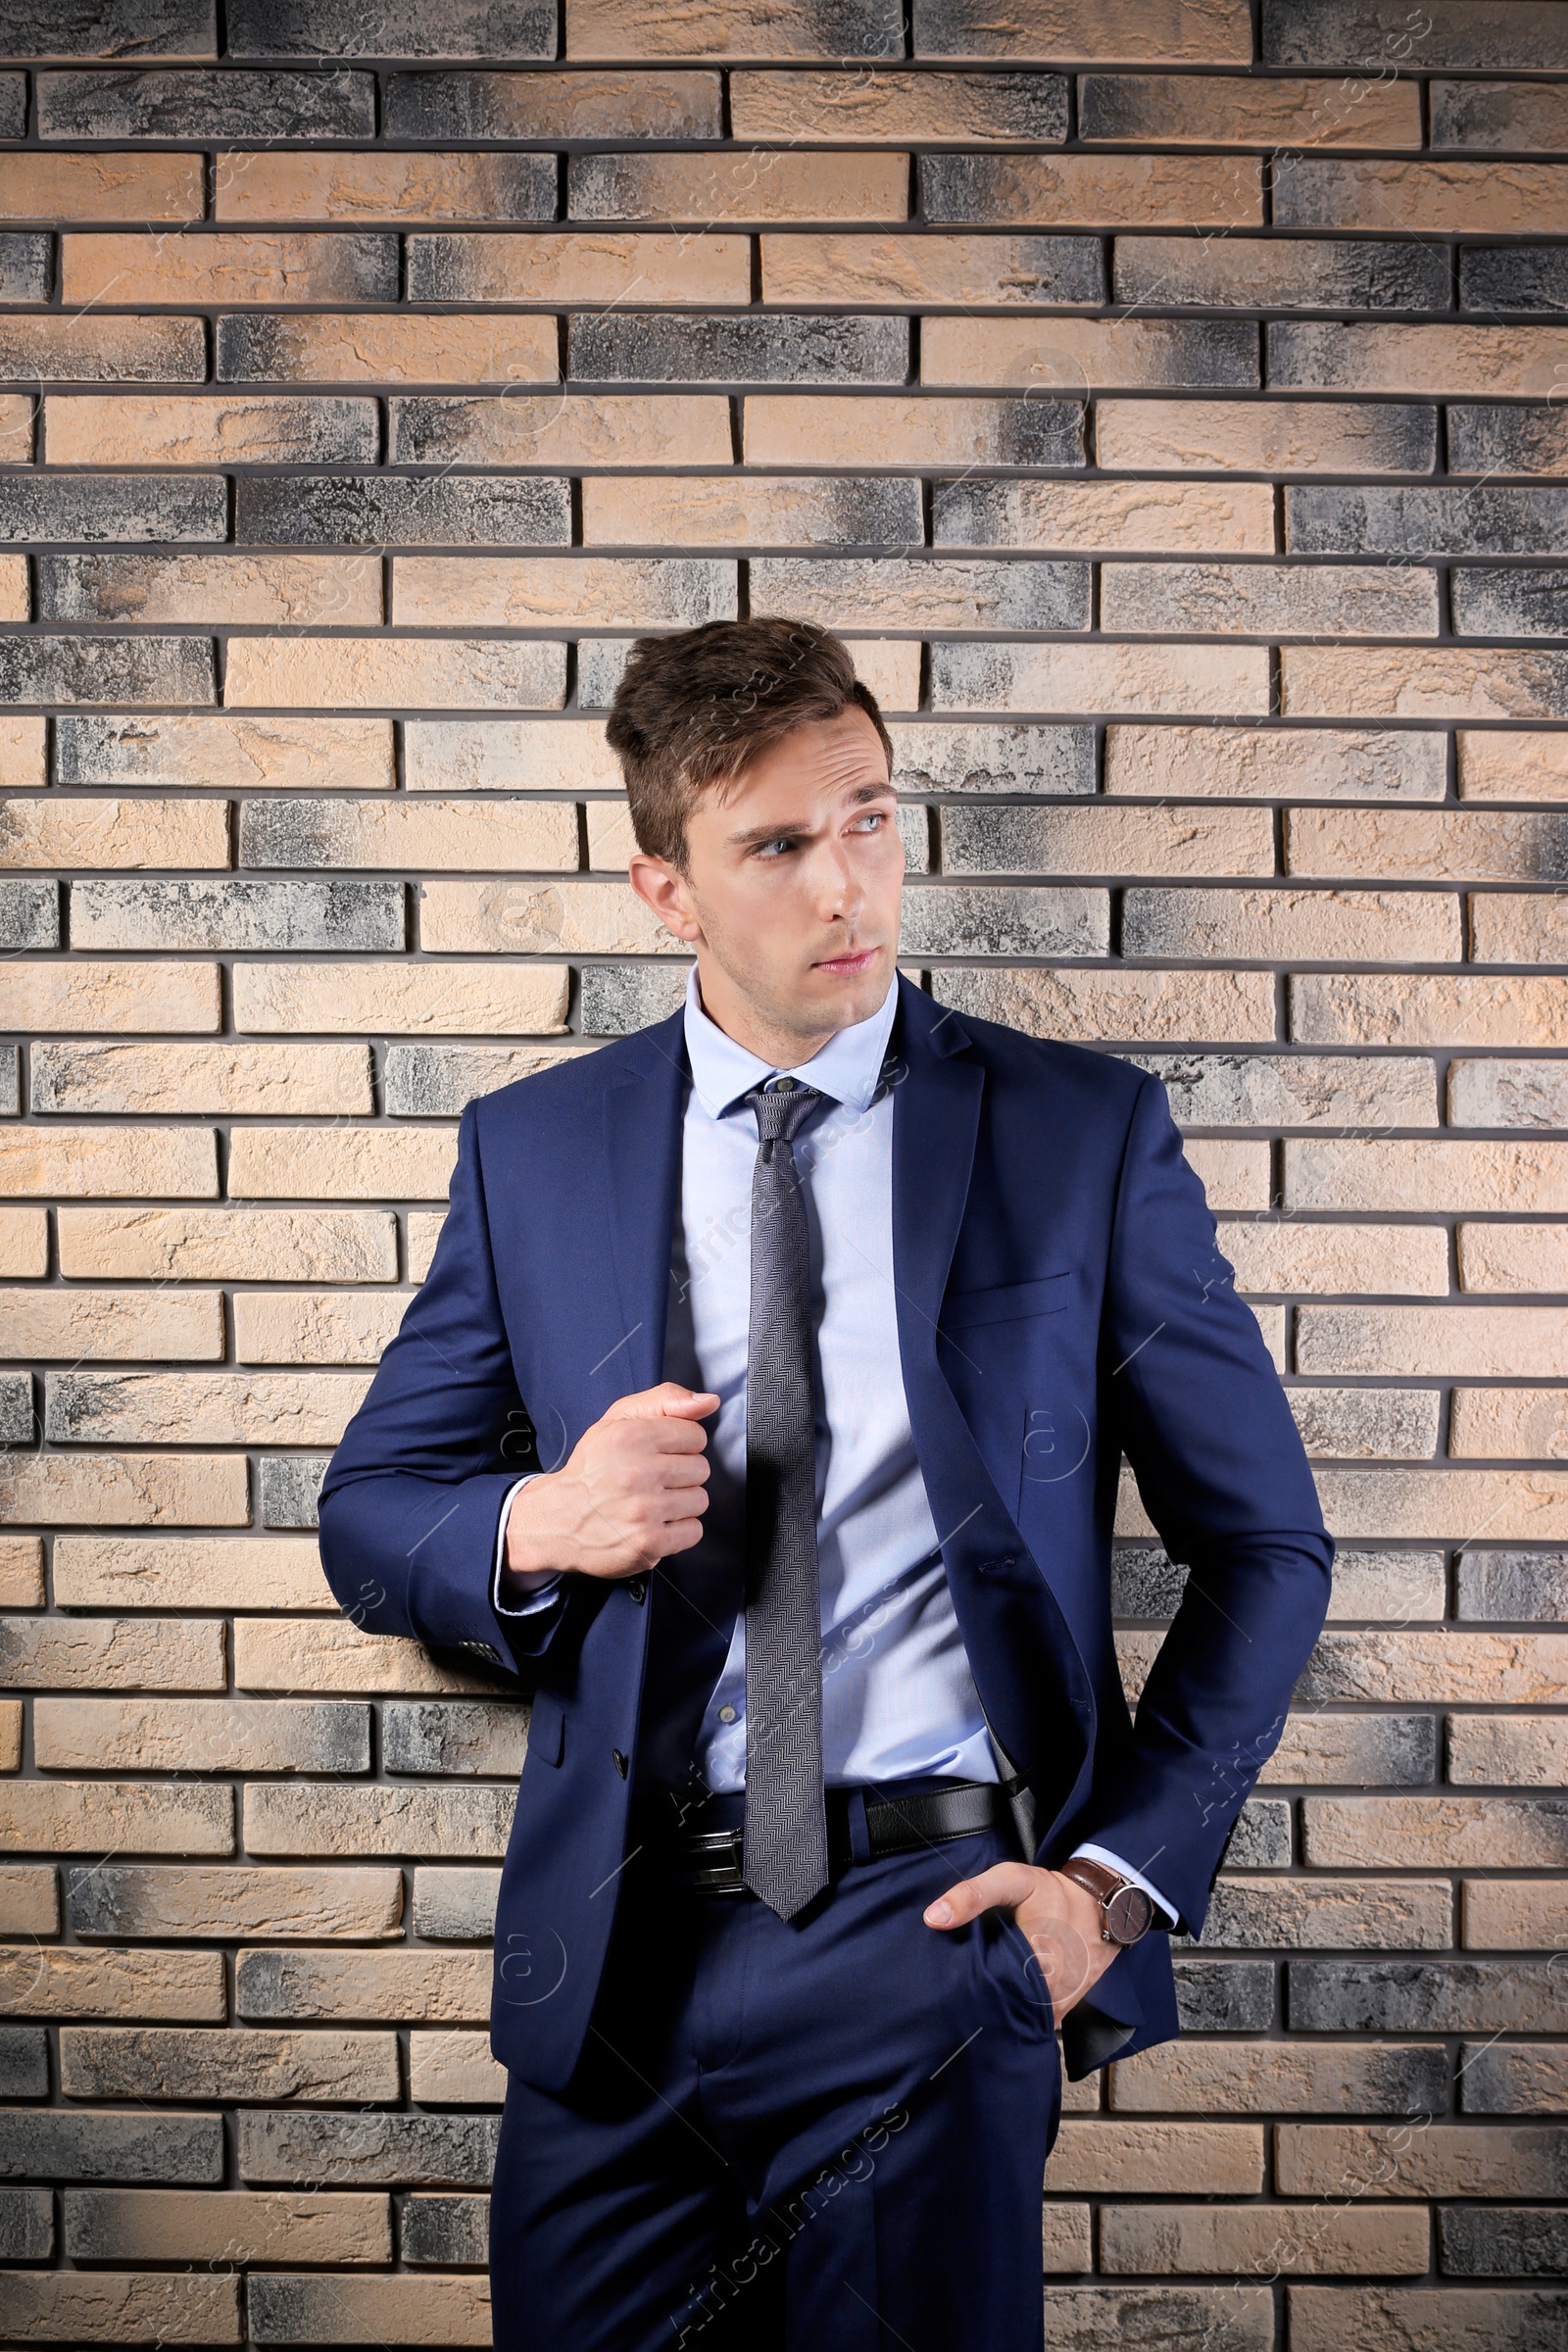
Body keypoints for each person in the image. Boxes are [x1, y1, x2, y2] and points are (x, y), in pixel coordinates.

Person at [318, 618, 1332, 2352]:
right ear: (667, 890)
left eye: (867, 816)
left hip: (931, 1936)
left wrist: (1110, 1884)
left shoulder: (1079, 1134)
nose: (846, 882)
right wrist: (538, 1522)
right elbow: (373, 1506)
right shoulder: (534, 1147)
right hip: (618, 1962)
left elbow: (1267, 1546)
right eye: (779, 845)